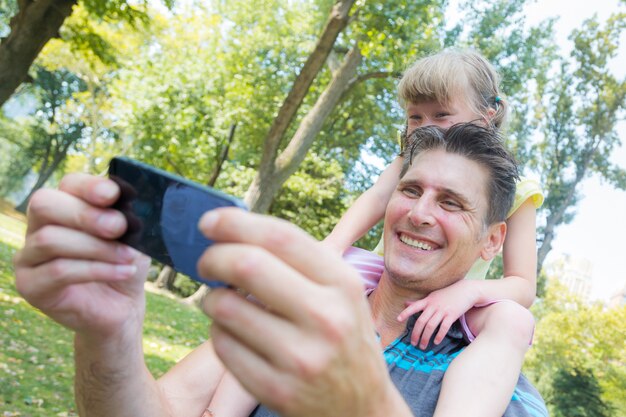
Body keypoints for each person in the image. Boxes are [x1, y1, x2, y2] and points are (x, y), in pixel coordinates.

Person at [13, 123, 548, 417]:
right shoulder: (294, 311)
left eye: (451, 203)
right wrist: (110, 332)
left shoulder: (497, 379)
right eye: (410, 189)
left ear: (492, 242)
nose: (420, 212)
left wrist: (363, 403)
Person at [208, 49, 544, 417]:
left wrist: (468, 292)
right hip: (386, 275)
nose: (426, 126)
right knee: (293, 282)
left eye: (441, 115)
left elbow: (523, 285)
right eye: (415, 117)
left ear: (487, 114)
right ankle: (222, 409)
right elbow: (376, 199)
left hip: (465, 298)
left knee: (513, 320)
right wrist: (333, 246)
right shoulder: (408, 158)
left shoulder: (514, 186)